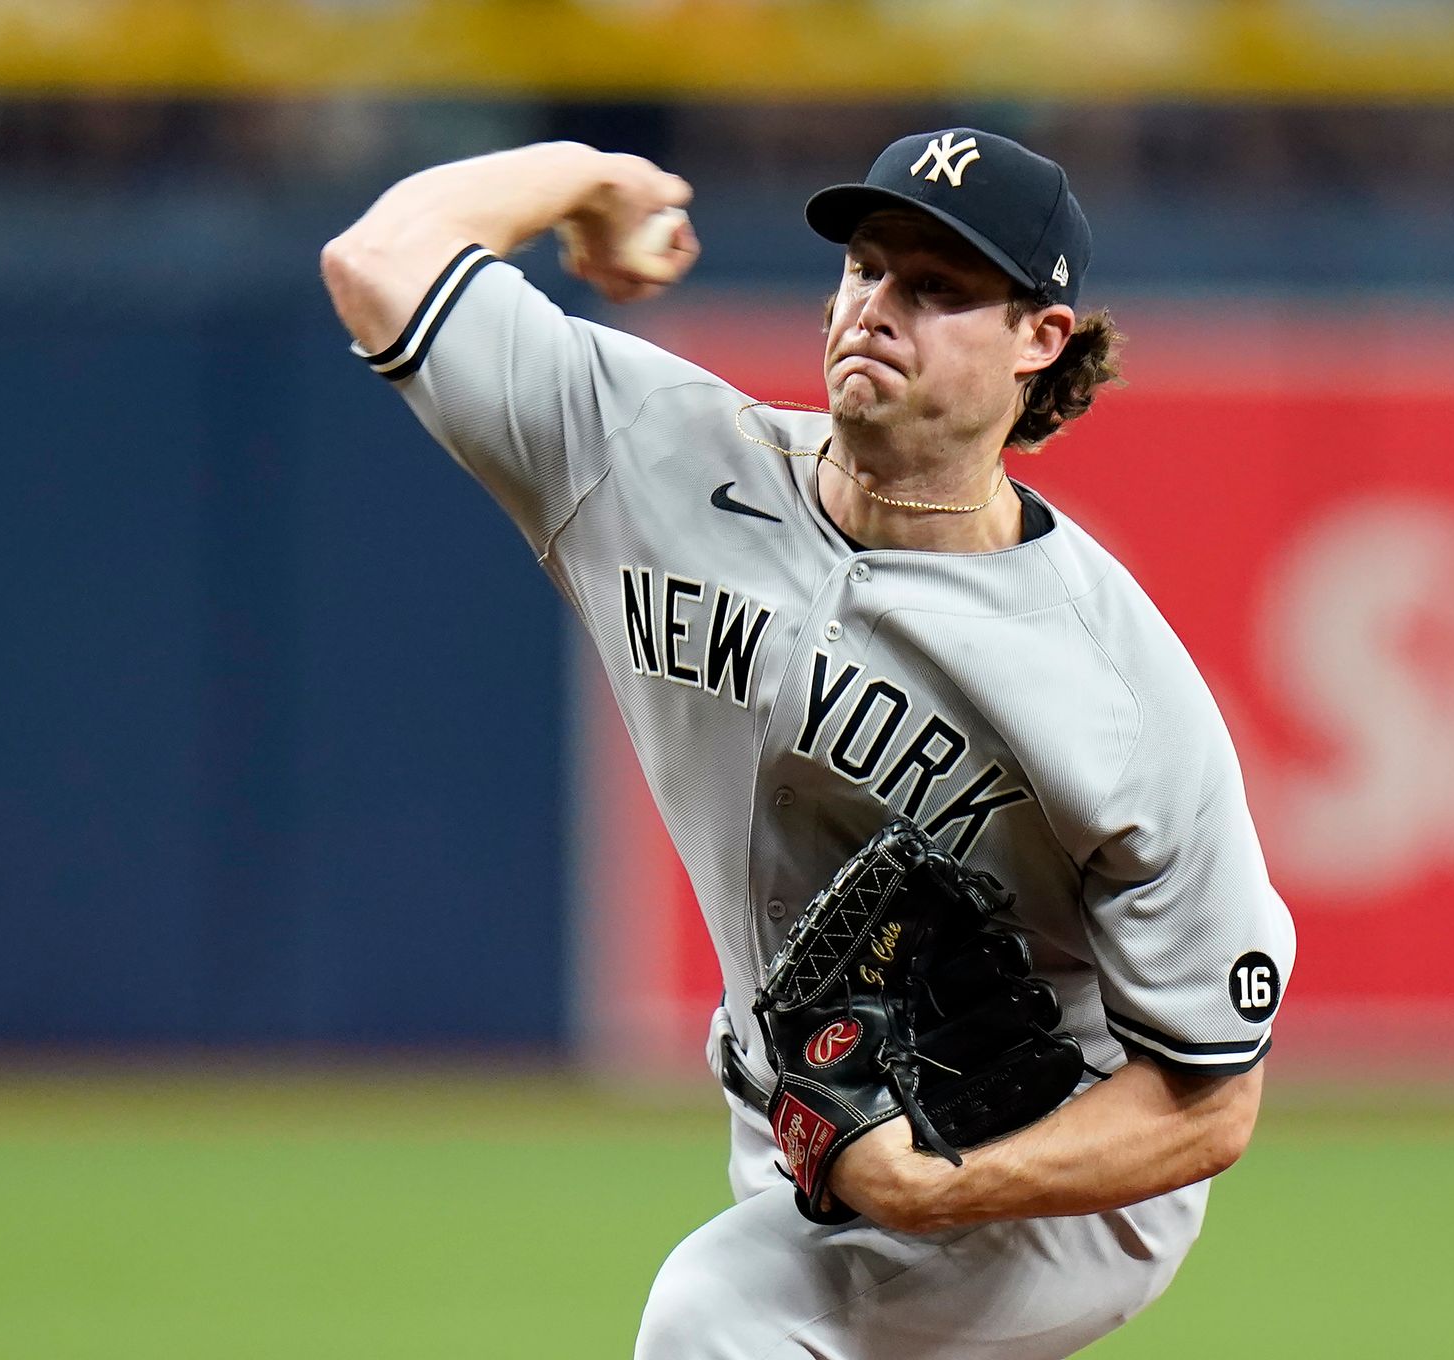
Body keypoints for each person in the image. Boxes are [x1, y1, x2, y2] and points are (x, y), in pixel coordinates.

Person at [321, 126, 1295, 1360]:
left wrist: (935, 1190)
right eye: (866, 270)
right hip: (804, 1119)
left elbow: (1209, 1106)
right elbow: (379, 263)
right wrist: (588, 175)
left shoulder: (1117, 690)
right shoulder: (657, 455)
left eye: (937, 290)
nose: (879, 309)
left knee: (718, 1315)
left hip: (1056, 1171)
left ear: (1040, 341)